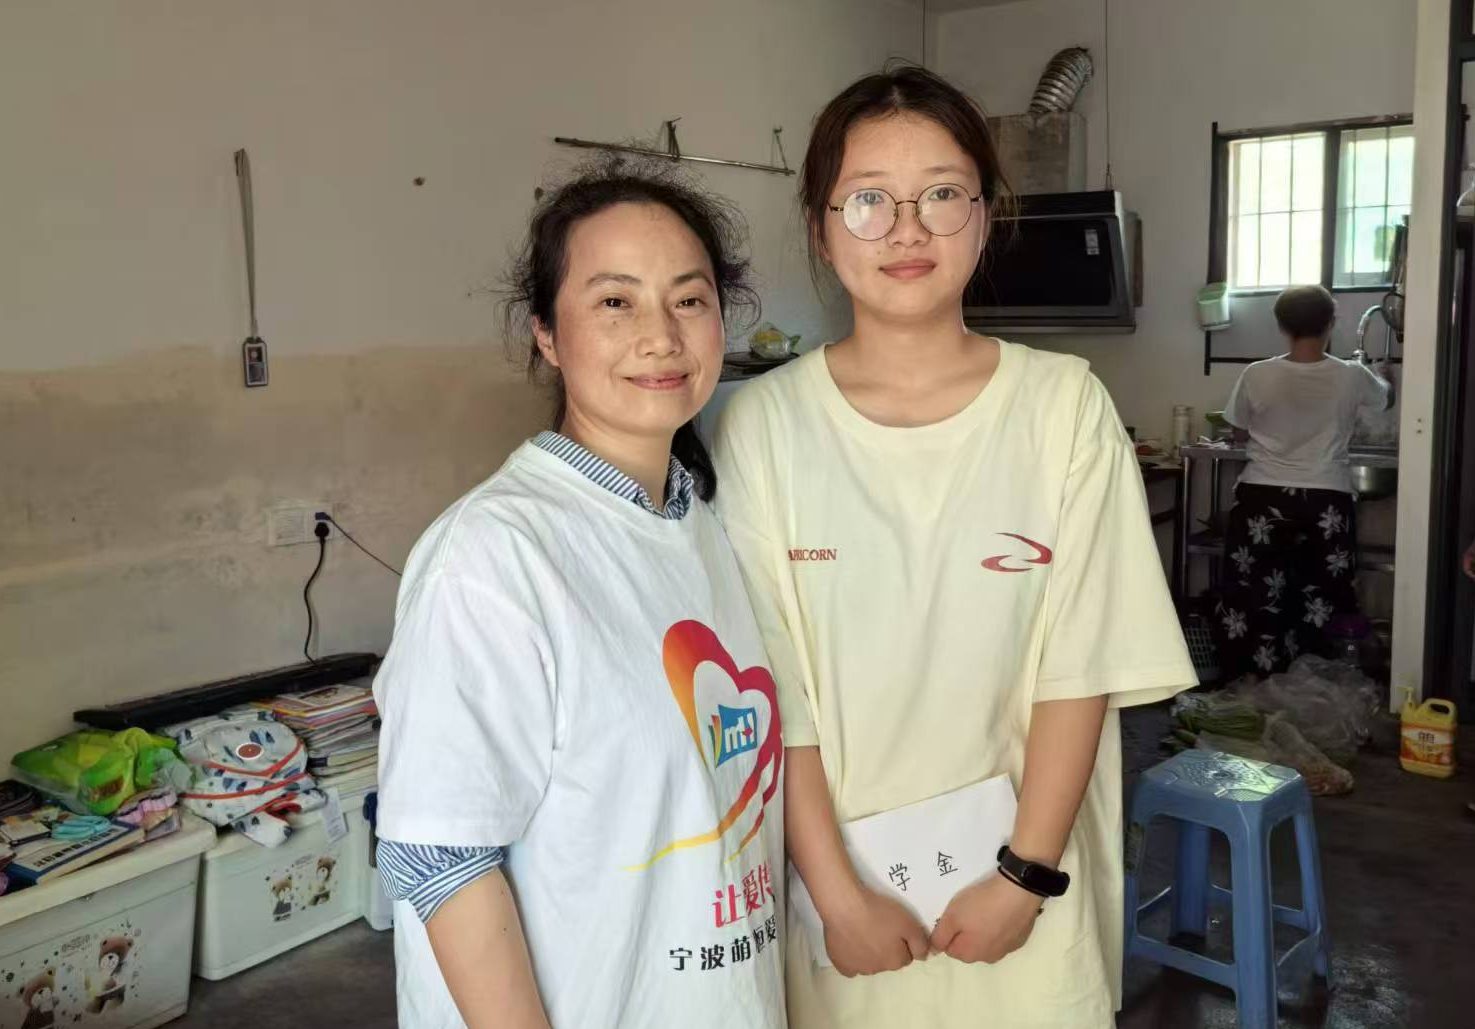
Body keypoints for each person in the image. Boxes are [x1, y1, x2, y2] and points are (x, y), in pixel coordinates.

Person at [711, 65, 1196, 1029]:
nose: (906, 230)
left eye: (940, 194)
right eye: (867, 200)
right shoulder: (760, 426)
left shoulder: (1063, 407)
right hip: (838, 904)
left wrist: (1024, 874)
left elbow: (1079, 666)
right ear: (820, 226)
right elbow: (773, 692)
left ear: (984, 215)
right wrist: (838, 897)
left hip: (1024, 895)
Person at [373, 160, 786, 1029]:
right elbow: (441, 857)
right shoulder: (493, 556)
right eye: (614, 302)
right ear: (547, 336)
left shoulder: (701, 526)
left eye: (688, 298)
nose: (660, 336)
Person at [1216, 284, 1393, 678]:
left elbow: (1238, 431)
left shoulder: (1256, 374)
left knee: (1256, 594)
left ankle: (1252, 682)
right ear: (1331, 323)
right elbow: (1385, 399)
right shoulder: (1352, 376)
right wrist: (1382, 376)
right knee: (1323, 597)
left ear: (1281, 326)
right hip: (1325, 501)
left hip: (1262, 499)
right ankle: (1317, 685)